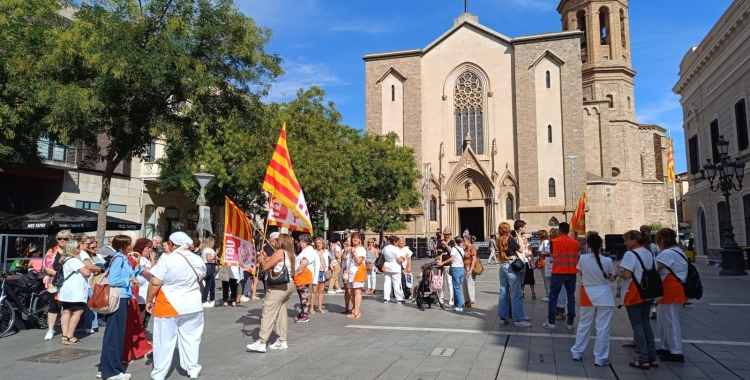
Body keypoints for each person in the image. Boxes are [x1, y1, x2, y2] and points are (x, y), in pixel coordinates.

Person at [146, 232, 206, 380]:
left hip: (168, 305)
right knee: (192, 339)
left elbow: (155, 282)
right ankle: (193, 369)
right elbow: (200, 280)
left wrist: (149, 300)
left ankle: (159, 374)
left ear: (174, 245)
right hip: (193, 305)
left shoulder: (169, 259)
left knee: (163, 341)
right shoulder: (198, 260)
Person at [98, 235, 140, 380]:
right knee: (114, 335)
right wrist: (129, 280)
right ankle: (111, 371)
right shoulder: (120, 258)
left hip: (123, 297)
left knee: (115, 334)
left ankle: (110, 368)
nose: (131, 245)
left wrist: (137, 268)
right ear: (123, 245)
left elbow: (130, 275)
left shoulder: (122, 257)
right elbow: (114, 280)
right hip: (119, 298)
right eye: (129, 243)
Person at [246, 233, 297, 352]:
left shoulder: (279, 252)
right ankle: (281, 340)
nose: (275, 241)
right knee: (281, 313)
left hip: (277, 286)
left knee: (268, 311)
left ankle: (262, 342)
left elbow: (266, 267)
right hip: (288, 284)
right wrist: (267, 258)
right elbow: (277, 264)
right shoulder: (290, 254)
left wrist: (261, 259)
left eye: (277, 240)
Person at [570, 234, 615, 366]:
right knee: (603, 328)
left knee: (584, 324)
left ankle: (577, 352)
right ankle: (600, 358)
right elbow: (611, 277)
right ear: (601, 245)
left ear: (588, 245)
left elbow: (580, 272)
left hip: (588, 293)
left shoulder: (583, 258)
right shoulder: (607, 261)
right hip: (604, 295)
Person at [618, 230, 658, 370]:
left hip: (634, 292)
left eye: (626, 240)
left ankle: (643, 359)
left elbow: (627, 275)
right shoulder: (649, 252)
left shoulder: (630, 254)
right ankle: (652, 357)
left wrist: (619, 272)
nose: (624, 243)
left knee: (637, 325)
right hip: (648, 291)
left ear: (634, 241)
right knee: (646, 323)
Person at [654, 228, 687, 363]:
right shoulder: (678, 251)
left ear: (661, 241)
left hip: (671, 290)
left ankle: (676, 352)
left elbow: (655, 269)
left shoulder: (667, 254)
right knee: (663, 321)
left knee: (671, 322)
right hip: (670, 290)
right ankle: (666, 347)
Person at [543, 222, 580, 330]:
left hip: (558, 272)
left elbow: (552, 255)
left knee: (553, 296)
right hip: (571, 273)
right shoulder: (576, 243)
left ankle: (551, 322)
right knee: (571, 297)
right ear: (568, 230)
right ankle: (570, 322)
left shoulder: (554, 242)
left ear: (559, 231)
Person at [496, 222, 531, 327]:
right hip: (511, 266)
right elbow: (520, 249)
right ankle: (518, 319)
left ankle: (503, 317)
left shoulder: (499, 240)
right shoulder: (510, 239)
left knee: (503, 293)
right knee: (516, 293)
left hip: (503, 266)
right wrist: (519, 237)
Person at [57, 240, 92, 345]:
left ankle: (64, 335)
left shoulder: (66, 260)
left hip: (66, 290)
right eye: (77, 247)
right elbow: (87, 273)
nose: (79, 249)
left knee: (67, 311)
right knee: (78, 311)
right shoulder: (75, 261)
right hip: (75, 291)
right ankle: (70, 335)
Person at [123, 239, 152, 363]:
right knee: (133, 324)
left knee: (140, 322)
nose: (150, 250)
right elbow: (148, 274)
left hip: (140, 295)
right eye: (147, 248)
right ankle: (128, 352)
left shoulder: (137, 259)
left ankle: (138, 347)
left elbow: (137, 271)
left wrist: (139, 262)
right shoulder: (123, 259)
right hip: (132, 295)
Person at [42, 230, 68, 341]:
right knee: (53, 306)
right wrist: (62, 275)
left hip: (69, 283)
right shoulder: (51, 251)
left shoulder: (74, 252)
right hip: (54, 282)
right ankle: (50, 329)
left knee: (68, 307)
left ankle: (66, 331)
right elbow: (48, 268)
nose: (62, 241)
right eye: (59, 239)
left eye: (65, 239)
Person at [75, 234, 102, 334]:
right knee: (91, 305)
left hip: (85, 282)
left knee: (86, 305)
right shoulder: (83, 253)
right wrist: (99, 269)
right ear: (81, 243)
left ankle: (86, 325)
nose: (89, 245)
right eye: (87, 243)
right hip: (86, 283)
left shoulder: (80, 253)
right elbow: (89, 266)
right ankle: (91, 325)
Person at [437, 236, 467, 312]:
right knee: (457, 287)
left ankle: (460, 306)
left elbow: (452, 258)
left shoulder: (454, 249)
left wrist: (442, 262)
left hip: (456, 268)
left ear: (455, 242)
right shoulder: (461, 249)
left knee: (456, 288)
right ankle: (457, 304)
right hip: (461, 268)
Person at [293, 234, 317, 323]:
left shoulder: (308, 251)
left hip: (303, 275)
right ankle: (303, 313)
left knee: (303, 296)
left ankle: (305, 315)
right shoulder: (306, 250)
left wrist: (295, 273)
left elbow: (303, 264)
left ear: (305, 242)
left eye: (300, 241)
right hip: (302, 275)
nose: (299, 243)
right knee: (302, 295)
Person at [133, 238, 156, 329]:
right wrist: (153, 260)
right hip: (140, 295)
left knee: (147, 318)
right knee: (140, 318)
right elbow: (152, 274)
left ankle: (144, 337)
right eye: (147, 248)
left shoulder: (146, 260)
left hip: (147, 293)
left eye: (150, 248)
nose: (149, 250)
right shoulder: (139, 259)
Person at [346, 233, 367, 319]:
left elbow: (358, 261)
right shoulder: (350, 248)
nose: (355, 240)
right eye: (353, 238)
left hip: (358, 272)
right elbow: (344, 258)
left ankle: (356, 312)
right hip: (350, 273)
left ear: (360, 240)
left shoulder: (361, 249)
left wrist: (353, 252)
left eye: (357, 238)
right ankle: (355, 308)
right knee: (350, 291)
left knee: (357, 291)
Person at [515, 220, 536, 299]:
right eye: (522, 239)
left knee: (530, 280)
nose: (523, 240)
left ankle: (533, 292)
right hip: (522, 263)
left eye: (524, 239)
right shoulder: (519, 245)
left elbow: (530, 253)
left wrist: (522, 255)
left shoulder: (528, 245)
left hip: (528, 264)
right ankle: (522, 292)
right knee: (522, 280)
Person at [382, 235, 405, 303]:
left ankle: (386, 298)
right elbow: (399, 260)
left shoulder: (385, 248)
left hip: (387, 266)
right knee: (396, 283)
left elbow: (381, 254)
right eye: (397, 242)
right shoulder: (396, 249)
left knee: (387, 282)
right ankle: (398, 298)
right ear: (394, 242)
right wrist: (404, 258)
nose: (398, 243)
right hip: (395, 266)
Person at [310, 237, 331, 314]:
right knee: (314, 290)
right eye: (317, 243)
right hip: (316, 272)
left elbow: (329, 261)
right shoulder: (313, 252)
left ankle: (319, 307)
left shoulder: (326, 252)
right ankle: (311, 308)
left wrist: (332, 269)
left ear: (322, 244)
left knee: (321, 290)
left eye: (320, 243)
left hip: (323, 272)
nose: (318, 244)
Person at [436, 227, 456, 305]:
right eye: (445, 234)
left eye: (448, 234)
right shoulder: (440, 242)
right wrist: (436, 250)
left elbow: (452, 253)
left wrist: (446, 246)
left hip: (448, 264)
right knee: (440, 282)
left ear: (450, 234)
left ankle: (451, 299)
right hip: (440, 264)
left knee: (449, 282)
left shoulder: (452, 242)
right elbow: (438, 253)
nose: (446, 236)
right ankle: (441, 298)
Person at [201, 237, 218, 307]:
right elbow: (209, 259)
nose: (214, 244)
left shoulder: (210, 249)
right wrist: (216, 253)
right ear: (209, 242)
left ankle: (212, 299)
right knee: (209, 283)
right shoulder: (208, 249)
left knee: (212, 284)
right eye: (213, 242)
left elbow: (213, 258)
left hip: (211, 266)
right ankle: (204, 300)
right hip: (209, 266)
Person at [462, 236, 478, 307]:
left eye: (464, 240)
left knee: (470, 285)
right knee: (464, 285)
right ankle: (467, 301)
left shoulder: (472, 248)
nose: (463, 241)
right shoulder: (465, 248)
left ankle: (472, 301)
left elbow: (474, 259)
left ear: (468, 241)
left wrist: (471, 270)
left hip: (469, 268)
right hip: (464, 267)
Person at [537, 230, 551, 302]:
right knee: (546, 280)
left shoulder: (545, 243)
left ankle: (548, 294)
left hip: (545, 263)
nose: (537, 236)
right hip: (545, 263)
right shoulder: (544, 242)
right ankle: (548, 293)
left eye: (538, 235)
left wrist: (540, 254)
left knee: (546, 280)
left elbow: (545, 253)